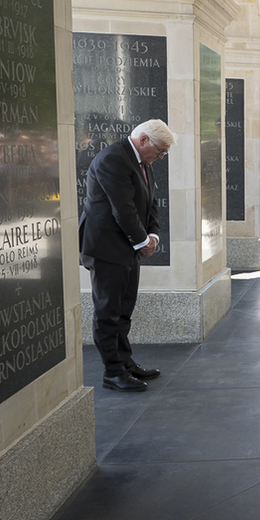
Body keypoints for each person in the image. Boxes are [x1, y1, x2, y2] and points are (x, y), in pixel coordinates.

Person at [79, 118, 176, 392]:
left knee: (124, 310)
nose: (160, 157)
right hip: (107, 248)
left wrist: (153, 235)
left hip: (127, 248)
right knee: (108, 312)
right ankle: (112, 372)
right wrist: (142, 241)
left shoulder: (143, 162)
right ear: (143, 139)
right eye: (160, 151)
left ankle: (125, 362)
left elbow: (150, 202)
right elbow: (123, 208)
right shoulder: (113, 159)